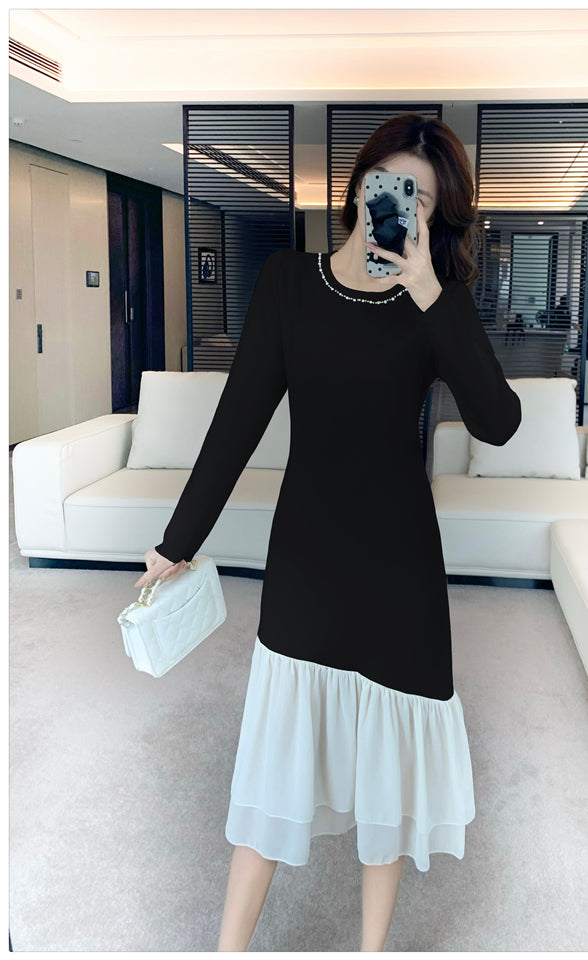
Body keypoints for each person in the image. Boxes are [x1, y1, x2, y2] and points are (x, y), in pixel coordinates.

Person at [134, 113, 523, 952]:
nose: (402, 204)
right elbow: (237, 421)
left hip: (401, 570)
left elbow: (498, 422)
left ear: (435, 217)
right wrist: (178, 540)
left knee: (387, 773)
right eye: (393, 183)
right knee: (277, 763)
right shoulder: (287, 282)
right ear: (360, 183)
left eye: (423, 198)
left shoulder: (436, 303)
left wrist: (431, 293)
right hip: (307, 561)